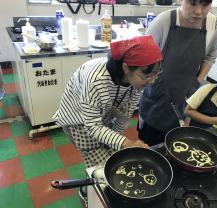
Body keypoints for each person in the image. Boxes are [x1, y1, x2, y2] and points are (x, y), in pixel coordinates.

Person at [53, 35, 162, 168]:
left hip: (103, 114)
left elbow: (125, 114)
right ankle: (93, 184)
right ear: (126, 67)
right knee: (101, 166)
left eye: (156, 73)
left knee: (114, 154)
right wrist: (127, 143)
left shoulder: (138, 81)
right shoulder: (96, 80)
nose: (152, 81)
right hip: (79, 119)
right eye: (147, 75)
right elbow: (92, 126)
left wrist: (118, 143)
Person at [138, 0, 217, 146]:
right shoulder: (163, 22)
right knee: (150, 147)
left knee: (178, 144)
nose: (198, 11)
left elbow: (210, 57)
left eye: (205, 5)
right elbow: (145, 59)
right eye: (193, 3)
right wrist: (156, 82)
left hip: (187, 93)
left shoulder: (213, 25)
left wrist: (197, 82)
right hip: (158, 95)